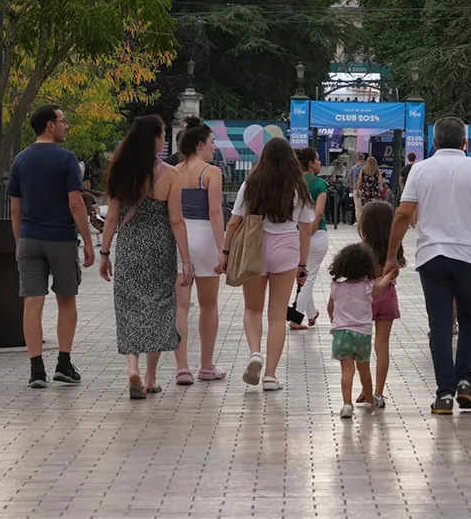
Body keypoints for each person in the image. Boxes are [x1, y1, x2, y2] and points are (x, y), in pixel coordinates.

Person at [386, 117, 471, 415]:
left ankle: (444, 394)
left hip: (432, 257)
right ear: (465, 143)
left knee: (440, 325)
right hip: (470, 257)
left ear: (435, 143)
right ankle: (465, 381)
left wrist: (391, 255)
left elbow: (402, 215)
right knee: (468, 321)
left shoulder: (420, 170)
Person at [98, 115, 191, 399]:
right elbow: (176, 221)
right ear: (155, 139)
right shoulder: (171, 175)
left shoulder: (120, 171)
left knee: (130, 308)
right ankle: (151, 378)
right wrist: (186, 260)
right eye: (163, 135)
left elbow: (112, 217)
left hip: (129, 248)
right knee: (159, 308)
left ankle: (132, 368)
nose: (165, 140)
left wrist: (104, 253)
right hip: (160, 249)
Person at [218, 137, 314, 392]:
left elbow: (234, 221)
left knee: (252, 310)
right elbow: (305, 231)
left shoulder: (251, 184)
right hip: (287, 248)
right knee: (276, 316)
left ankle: (254, 353)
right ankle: (270, 375)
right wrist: (302, 265)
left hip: (255, 247)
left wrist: (226, 252)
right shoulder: (299, 187)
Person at [9, 105, 95, 389]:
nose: (66, 126)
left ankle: (36, 370)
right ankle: (64, 363)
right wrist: (88, 241)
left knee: (32, 303)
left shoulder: (20, 160)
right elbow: (75, 202)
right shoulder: (66, 159)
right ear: (49, 125)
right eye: (63, 121)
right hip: (60, 238)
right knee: (66, 300)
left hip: (29, 238)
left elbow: (15, 209)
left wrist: (19, 242)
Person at [172, 116, 227, 384]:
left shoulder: (174, 171)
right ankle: (206, 365)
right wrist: (222, 248)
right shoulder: (211, 172)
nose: (214, 147)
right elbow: (215, 212)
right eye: (212, 142)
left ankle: (182, 367)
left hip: (179, 235)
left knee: (181, 306)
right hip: (204, 235)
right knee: (209, 305)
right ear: (200, 144)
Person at [327, 243, 396, 419]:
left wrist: (334, 320)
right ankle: (369, 401)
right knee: (364, 369)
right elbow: (380, 287)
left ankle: (347, 404)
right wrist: (388, 275)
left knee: (347, 370)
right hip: (362, 335)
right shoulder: (367, 286)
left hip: (342, 333)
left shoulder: (336, 286)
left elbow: (330, 307)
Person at [357, 200, 405, 408]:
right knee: (382, 346)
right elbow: (395, 273)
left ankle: (365, 389)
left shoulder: (362, 250)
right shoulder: (393, 251)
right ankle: (378, 392)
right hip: (387, 296)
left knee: (363, 347)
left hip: (364, 298)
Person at [292, 147, 330, 330]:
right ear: (310, 163)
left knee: (302, 276)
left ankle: (311, 313)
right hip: (317, 235)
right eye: (318, 159)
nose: (320, 162)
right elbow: (319, 211)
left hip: (294, 235)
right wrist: (311, 229)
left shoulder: (293, 182)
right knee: (309, 277)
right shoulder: (320, 184)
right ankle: (295, 318)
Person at [349, 153, 366, 220]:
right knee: (365, 207)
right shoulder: (366, 168)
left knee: (358, 208)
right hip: (365, 190)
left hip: (356, 189)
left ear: (357, 159)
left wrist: (351, 189)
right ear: (364, 159)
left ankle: (359, 222)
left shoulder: (353, 168)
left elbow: (350, 180)